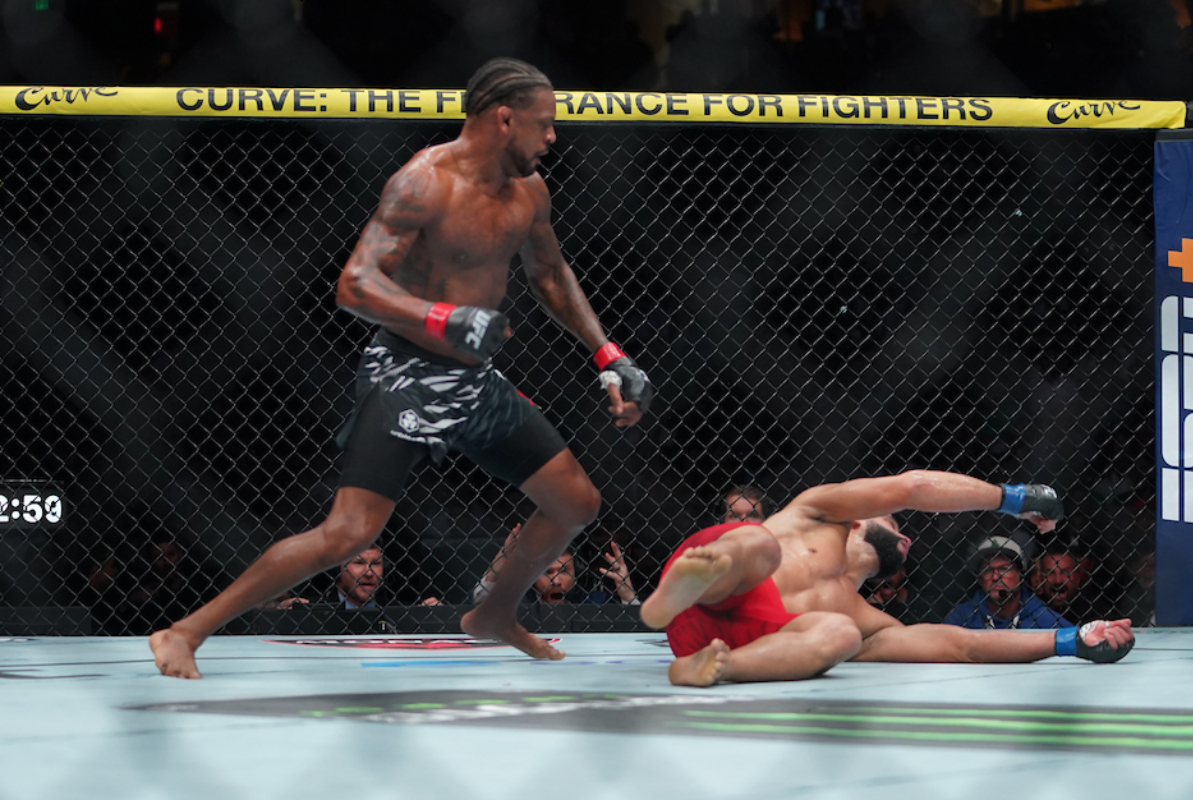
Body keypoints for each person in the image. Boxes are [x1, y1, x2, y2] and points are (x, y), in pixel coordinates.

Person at [150, 57, 653, 678]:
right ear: (504, 119)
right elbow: (354, 284)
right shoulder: (424, 183)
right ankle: (186, 631)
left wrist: (608, 353)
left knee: (575, 502)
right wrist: (444, 319)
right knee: (348, 533)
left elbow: (550, 274)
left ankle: (494, 613)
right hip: (406, 373)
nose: (553, 137)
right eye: (543, 123)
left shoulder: (530, 191)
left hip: (472, 381)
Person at [641, 470, 1135, 687]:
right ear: (861, 520)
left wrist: (1070, 641)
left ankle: (716, 669)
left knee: (840, 635)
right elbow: (913, 487)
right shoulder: (816, 512)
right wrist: (1013, 498)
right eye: (897, 525)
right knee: (761, 544)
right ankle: (672, 594)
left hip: (713, 641)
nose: (907, 538)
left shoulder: (863, 617)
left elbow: (960, 646)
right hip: (721, 573)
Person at [474, 524, 639, 605]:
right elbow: (478, 606)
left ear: (576, 572)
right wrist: (498, 566)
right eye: (548, 572)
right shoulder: (518, 603)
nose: (556, 581)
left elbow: (636, 626)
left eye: (564, 571)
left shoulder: (594, 602)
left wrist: (628, 595)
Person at [944, 536, 1071, 629]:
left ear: (1020, 573)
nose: (995, 577)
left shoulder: (1046, 620)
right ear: (980, 578)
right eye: (987, 570)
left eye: (1004, 569)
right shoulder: (962, 617)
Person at [1029, 540, 1094, 624]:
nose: (1058, 580)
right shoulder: (1030, 609)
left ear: (1077, 578)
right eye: (1050, 573)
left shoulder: (1094, 612)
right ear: (1041, 579)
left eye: (1065, 573)